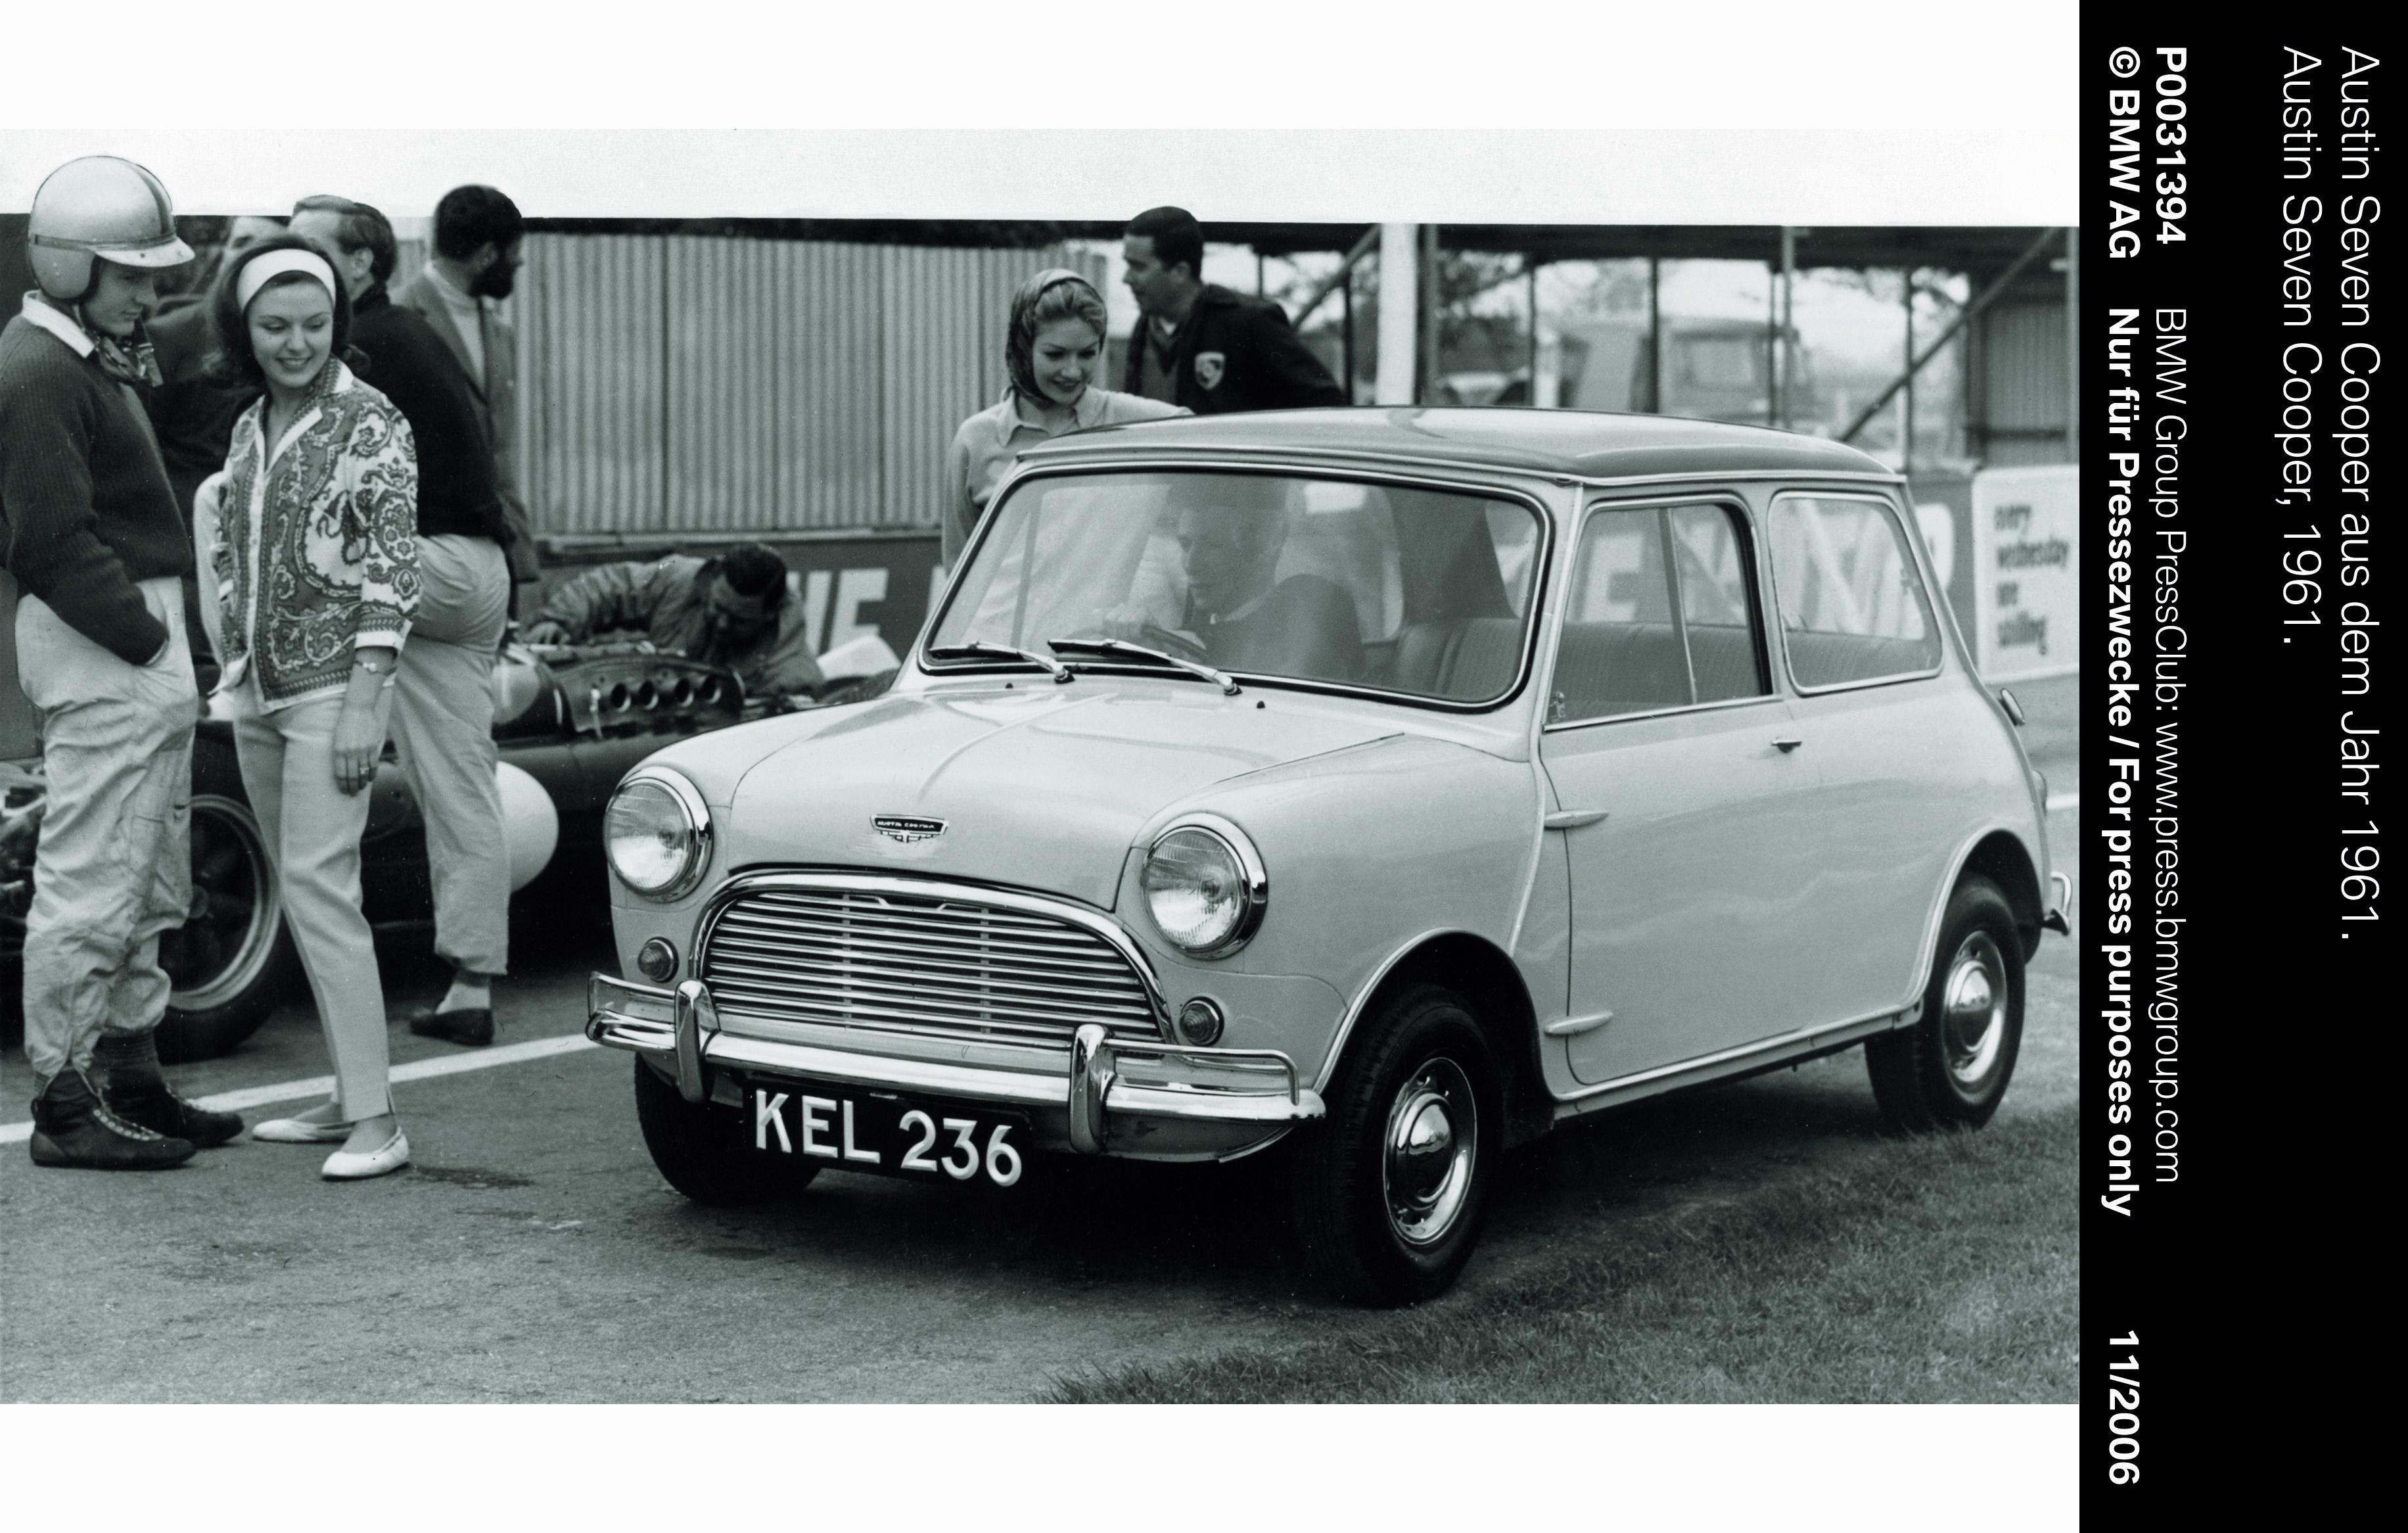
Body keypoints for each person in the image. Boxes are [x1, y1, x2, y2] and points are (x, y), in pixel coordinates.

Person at [1, 155, 242, 1169]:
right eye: (132, 274)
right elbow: (50, 539)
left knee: (149, 880)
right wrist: (148, 645)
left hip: (126, 642)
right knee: (94, 880)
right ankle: (64, 1105)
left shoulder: (79, 356)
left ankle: (133, 1076)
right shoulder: (40, 369)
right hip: (107, 644)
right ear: (70, 267)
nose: (151, 293)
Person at [192, 238, 420, 1181]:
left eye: (314, 325)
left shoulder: (373, 421)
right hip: (260, 690)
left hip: (334, 692)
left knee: (324, 891)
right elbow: (229, 545)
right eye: (275, 326)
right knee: (307, 892)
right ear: (243, 329)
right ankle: (345, 1095)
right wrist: (231, 661)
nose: (296, 344)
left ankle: (380, 1122)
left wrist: (368, 702)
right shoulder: (250, 424)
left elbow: (393, 569)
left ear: (338, 323)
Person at [291, 194, 513, 1049]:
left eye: (308, 248)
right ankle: (472, 984)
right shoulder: (411, 334)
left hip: (421, 564)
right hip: (475, 571)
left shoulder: (358, 344)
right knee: (461, 783)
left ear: (360, 264)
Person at [942, 268, 1186, 567]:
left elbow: (1205, 438)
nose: (1073, 371)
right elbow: (959, 565)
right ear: (1023, 348)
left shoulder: (1128, 419)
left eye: (1087, 354)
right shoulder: (975, 439)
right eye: (1055, 355)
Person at [145, 215, 289, 684]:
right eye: (236, 242)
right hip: (185, 553)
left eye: (258, 247)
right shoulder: (169, 337)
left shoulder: (294, 344)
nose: (240, 256)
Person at [394, 185, 538, 600]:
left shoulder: (500, 330)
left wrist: (523, 563)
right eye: (515, 251)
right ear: (488, 255)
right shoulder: (397, 321)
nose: (520, 261)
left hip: (497, 555)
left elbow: (501, 455)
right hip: (431, 563)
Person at [1113, 479, 1362, 682]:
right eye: (1186, 545)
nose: (1190, 564)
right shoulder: (1196, 629)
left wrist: (1178, 648)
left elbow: (1288, 672)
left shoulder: (1306, 601)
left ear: (1267, 543)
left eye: (1213, 545)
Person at [521, 543, 825, 699]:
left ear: (770, 615)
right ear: (712, 580)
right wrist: (559, 620)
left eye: (739, 621)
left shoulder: (791, 679)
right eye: (717, 608)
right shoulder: (679, 578)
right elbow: (612, 586)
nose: (722, 624)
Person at [1121, 206, 1345, 415]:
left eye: (1138, 267)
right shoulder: (1145, 327)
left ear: (1180, 271)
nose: (1126, 278)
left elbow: (1326, 402)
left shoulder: (1247, 321)